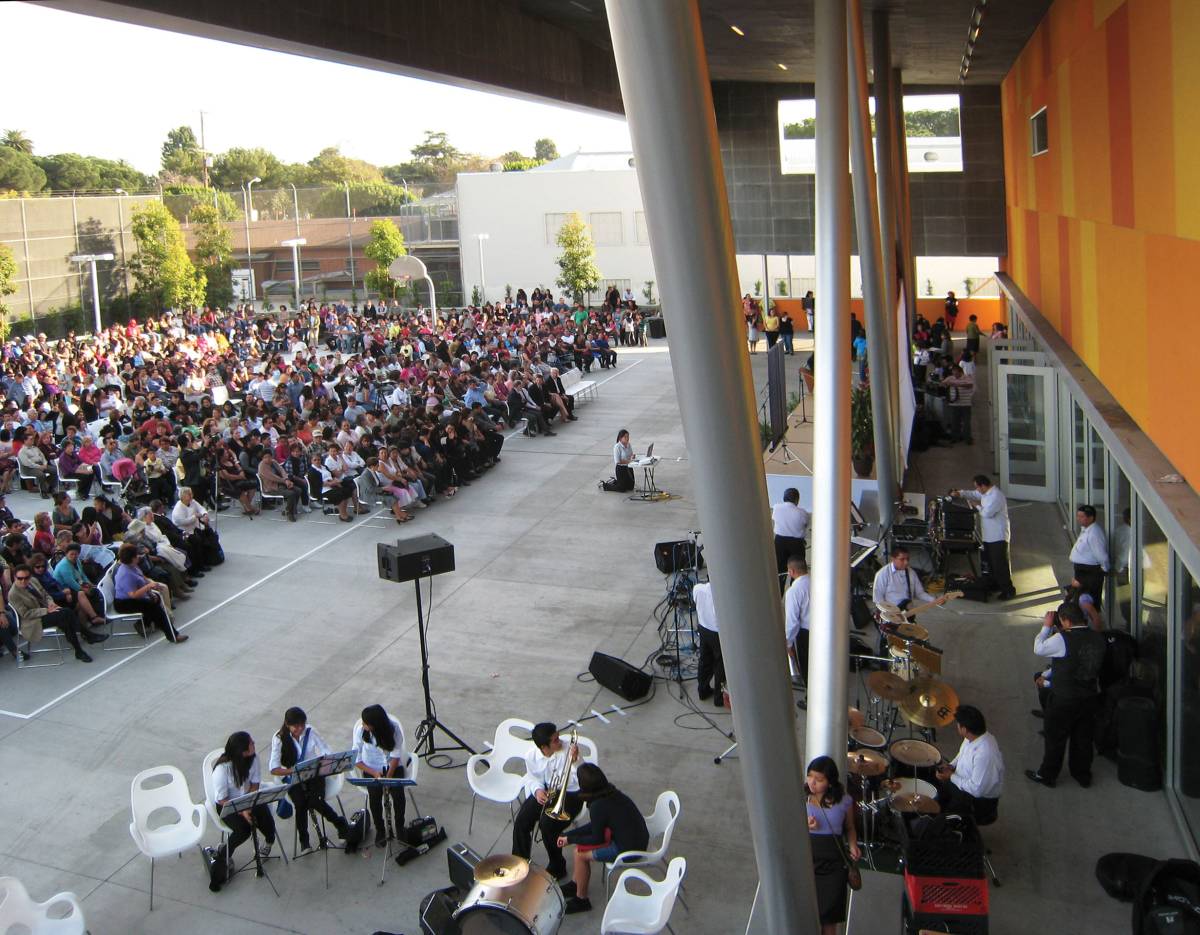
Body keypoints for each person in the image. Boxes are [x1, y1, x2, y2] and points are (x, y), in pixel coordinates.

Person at [1026, 602, 1106, 788]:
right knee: (1083, 738)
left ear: (1065, 621)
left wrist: (1046, 626)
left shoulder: (1063, 639)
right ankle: (1082, 774)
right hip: (1088, 697)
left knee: (1055, 739)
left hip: (1064, 698)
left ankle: (1048, 775)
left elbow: (1039, 648)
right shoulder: (1097, 638)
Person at [556, 764, 650, 915]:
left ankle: (582, 900)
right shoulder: (610, 793)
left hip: (629, 849)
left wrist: (571, 839)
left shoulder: (598, 806)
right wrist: (569, 835)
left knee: (580, 855)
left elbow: (596, 838)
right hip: (637, 838)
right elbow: (595, 825)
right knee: (578, 849)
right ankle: (576, 884)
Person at [268, 706, 350, 852]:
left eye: (302, 725)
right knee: (300, 804)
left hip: (314, 774)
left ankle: (340, 823)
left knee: (315, 800)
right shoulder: (278, 739)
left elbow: (326, 750)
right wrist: (292, 770)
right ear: (287, 725)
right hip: (294, 777)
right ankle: (304, 841)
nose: (300, 729)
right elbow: (274, 768)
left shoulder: (311, 731)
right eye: (296, 726)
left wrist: (327, 763)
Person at [512, 722, 582, 880]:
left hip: (571, 793)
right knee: (522, 821)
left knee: (547, 825)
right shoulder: (531, 756)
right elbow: (533, 777)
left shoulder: (568, 751)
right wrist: (537, 790)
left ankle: (558, 866)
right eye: (555, 740)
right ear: (544, 747)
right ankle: (519, 862)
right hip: (548, 790)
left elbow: (582, 776)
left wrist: (576, 760)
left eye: (558, 736)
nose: (561, 741)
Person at [805, 755, 860, 935]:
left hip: (834, 864)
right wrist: (804, 825)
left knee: (829, 918)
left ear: (829, 782)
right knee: (806, 912)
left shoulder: (844, 801)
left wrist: (853, 845)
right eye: (810, 776)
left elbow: (850, 827)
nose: (812, 783)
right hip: (806, 861)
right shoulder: (800, 797)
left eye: (819, 779)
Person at [212, 731, 278, 875]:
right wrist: (242, 811)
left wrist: (248, 804)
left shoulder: (254, 759)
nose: (254, 744)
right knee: (243, 830)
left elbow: (255, 784)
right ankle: (224, 855)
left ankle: (269, 841)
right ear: (242, 752)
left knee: (264, 815)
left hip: (248, 798)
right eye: (251, 743)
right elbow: (222, 799)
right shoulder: (221, 770)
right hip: (227, 805)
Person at [8, 562, 100, 662]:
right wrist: (46, 610)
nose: (23, 581)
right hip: (33, 621)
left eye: (26, 578)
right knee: (65, 614)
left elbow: (46, 595)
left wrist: (51, 603)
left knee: (65, 618)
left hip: (48, 611)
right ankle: (87, 637)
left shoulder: (33, 581)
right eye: (20, 578)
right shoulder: (13, 594)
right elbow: (26, 614)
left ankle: (80, 650)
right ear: (14, 577)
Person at [934, 705, 1004, 819]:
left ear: (964, 729)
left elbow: (976, 790)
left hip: (977, 801)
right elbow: (961, 754)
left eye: (958, 724)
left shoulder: (985, 754)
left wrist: (951, 776)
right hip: (964, 783)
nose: (957, 726)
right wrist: (951, 765)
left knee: (945, 816)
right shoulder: (973, 736)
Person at [352, 704, 406, 848]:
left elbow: (395, 757)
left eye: (365, 723)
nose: (362, 725)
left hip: (392, 768)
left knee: (399, 796)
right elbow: (355, 759)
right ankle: (380, 830)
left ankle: (400, 828)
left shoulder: (393, 729)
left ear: (375, 724)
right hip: (371, 770)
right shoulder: (361, 731)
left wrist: (387, 778)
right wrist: (375, 774)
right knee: (374, 798)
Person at [953, 475, 1015, 599]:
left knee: (1000, 565)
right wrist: (960, 493)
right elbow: (973, 494)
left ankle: (1008, 590)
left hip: (998, 536)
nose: (977, 490)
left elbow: (987, 513)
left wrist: (976, 505)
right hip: (988, 536)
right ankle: (995, 584)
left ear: (983, 485)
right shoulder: (985, 493)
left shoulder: (996, 496)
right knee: (991, 563)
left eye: (977, 487)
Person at [114, 542, 187, 643]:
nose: (138, 557)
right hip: (124, 602)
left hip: (133, 597)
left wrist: (151, 588)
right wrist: (148, 587)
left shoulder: (133, 566)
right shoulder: (125, 574)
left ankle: (144, 623)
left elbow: (142, 577)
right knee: (156, 609)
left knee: (155, 600)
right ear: (131, 558)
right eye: (136, 556)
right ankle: (173, 635)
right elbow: (133, 595)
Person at [872, 546, 941, 613]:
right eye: (902, 559)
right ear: (892, 559)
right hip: (891, 613)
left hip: (908, 611)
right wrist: (888, 614)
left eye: (907, 559)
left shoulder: (911, 572)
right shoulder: (882, 574)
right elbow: (878, 599)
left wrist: (934, 600)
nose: (906, 562)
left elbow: (919, 593)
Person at [1070, 505, 1108, 611]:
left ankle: (1090, 624)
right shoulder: (1086, 530)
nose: (1078, 519)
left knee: (1086, 601)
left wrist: (1104, 569)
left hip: (1089, 572)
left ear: (1091, 518)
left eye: (1082, 517)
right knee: (1078, 600)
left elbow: (1101, 555)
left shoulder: (1094, 533)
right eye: (1078, 516)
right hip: (1082, 571)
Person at [784, 556, 811, 705]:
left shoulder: (794, 591)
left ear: (792, 571)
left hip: (806, 633)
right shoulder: (817, 581)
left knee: (807, 666)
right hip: (823, 629)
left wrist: (788, 643)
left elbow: (792, 621)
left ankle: (811, 699)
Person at [693, 580, 724, 707]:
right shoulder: (721, 594)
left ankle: (702, 690)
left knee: (705, 660)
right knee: (720, 664)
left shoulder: (698, 588)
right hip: (717, 632)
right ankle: (719, 697)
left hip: (703, 628)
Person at [771, 487, 809, 583]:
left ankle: (779, 593)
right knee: (798, 572)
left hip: (779, 542)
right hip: (796, 544)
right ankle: (796, 589)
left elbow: (774, 518)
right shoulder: (802, 512)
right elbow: (805, 524)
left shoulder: (777, 508)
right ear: (797, 500)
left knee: (780, 571)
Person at [941, 364, 974, 444]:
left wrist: (957, 384)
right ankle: (955, 437)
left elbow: (970, 385)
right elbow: (942, 384)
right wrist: (945, 383)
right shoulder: (950, 378)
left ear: (960, 372)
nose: (954, 373)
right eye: (953, 371)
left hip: (965, 404)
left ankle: (967, 438)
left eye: (955, 372)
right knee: (954, 422)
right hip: (954, 404)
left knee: (966, 423)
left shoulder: (967, 377)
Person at [610, 429, 635, 493]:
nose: (627, 438)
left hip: (629, 467)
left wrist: (632, 456)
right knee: (622, 489)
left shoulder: (628, 444)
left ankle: (618, 482)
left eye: (628, 436)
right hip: (621, 468)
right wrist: (628, 461)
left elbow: (631, 454)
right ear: (620, 438)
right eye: (625, 437)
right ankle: (606, 485)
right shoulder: (617, 447)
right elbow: (617, 461)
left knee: (631, 487)